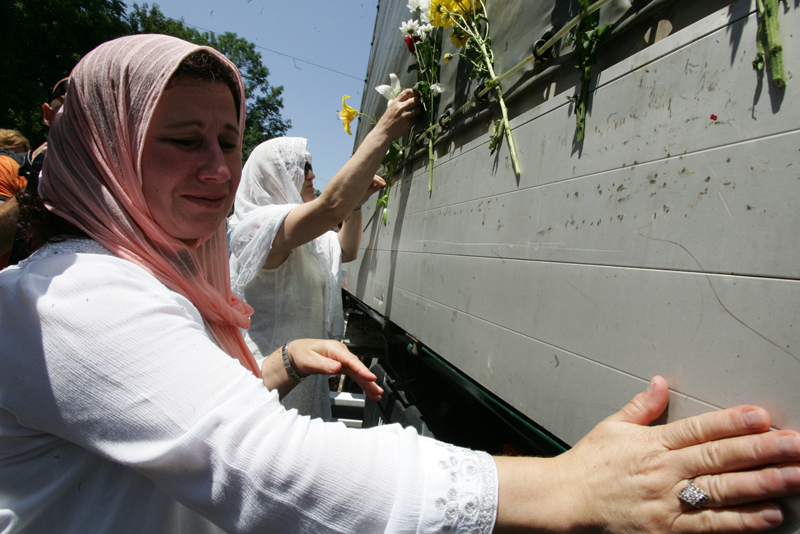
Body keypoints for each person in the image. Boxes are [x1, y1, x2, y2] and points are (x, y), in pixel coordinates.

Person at [1, 34, 799, 534]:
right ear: (104, 152)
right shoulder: (73, 297)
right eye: (181, 141)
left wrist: (275, 366)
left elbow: (170, 415)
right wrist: (564, 488)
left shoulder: (160, 272)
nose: (217, 170)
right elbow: (259, 466)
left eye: (227, 139)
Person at [228, 137, 384, 420]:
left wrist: (356, 206)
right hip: (268, 379)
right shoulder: (256, 229)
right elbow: (329, 209)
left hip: (303, 376)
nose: (312, 174)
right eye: (302, 167)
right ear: (275, 176)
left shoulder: (307, 239)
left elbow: (345, 249)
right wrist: (385, 130)